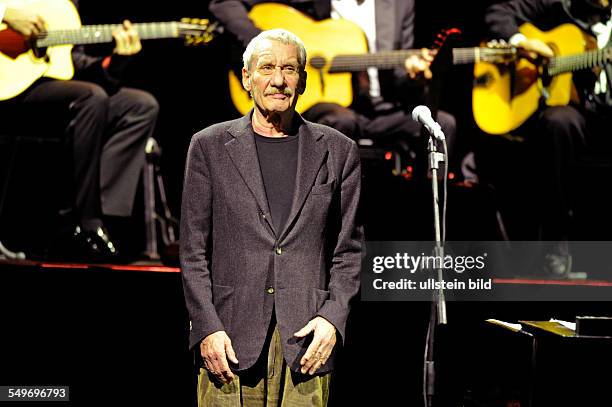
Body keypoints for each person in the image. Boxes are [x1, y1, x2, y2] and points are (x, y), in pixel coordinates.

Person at [180, 28, 363, 406]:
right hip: (227, 339)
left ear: (303, 81)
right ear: (247, 78)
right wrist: (207, 328)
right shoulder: (209, 146)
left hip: (307, 343)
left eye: (289, 69)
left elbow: (349, 252)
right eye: (267, 68)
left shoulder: (339, 151)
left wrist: (333, 319)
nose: (278, 80)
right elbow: (192, 253)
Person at [209, 0, 459, 177]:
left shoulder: (398, 4)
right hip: (328, 106)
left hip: (382, 108)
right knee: (339, 122)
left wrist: (413, 75)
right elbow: (224, 4)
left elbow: (400, 78)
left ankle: (422, 223)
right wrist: (265, 45)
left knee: (441, 125)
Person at [0, 0, 159, 261]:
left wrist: (115, 62)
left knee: (139, 106)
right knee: (91, 98)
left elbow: (71, 62)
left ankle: (98, 217)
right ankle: (84, 220)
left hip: (46, 87)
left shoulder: (65, 6)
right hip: (8, 90)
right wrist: (6, 13)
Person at [483, 0, 612, 277]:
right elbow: (498, 13)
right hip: (572, 112)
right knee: (559, 122)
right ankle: (554, 243)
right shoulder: (559, 3)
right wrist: (524, 42)